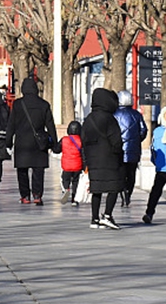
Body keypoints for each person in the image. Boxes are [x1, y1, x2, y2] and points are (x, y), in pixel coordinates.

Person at [6, 77, 59, 205]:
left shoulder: (18, 104)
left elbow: (11, 125)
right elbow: (50, 125)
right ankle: (37, 195)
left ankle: (25, 196)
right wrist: (54, 143)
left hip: (22, 142)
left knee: (22, 170)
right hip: (39, 142)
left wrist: (8, 142)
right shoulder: (44, 104)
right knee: (38, 170)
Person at [82, 88, 124, 230]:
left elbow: (83, 140)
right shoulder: (109, 119)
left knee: (97, 189)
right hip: (109, 159)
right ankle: (107, 215)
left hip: (93, 160)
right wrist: (118, 153)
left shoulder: (88, 119)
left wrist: (86, 160)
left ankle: (94, 219)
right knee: (114, 187)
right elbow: (116, 140)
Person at [114, 90, 147, 207]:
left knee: (121, 173)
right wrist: (136, 140)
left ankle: (123, 194)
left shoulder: (115, 114)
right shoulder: (137, 114)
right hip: (134, 149)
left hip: (119, 149)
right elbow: (143, 130)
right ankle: (129, 193)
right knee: (131, 173)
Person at [59, 121, 85, 205]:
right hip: (77, 165)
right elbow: (84, 154)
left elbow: (56, 149)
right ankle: (74, 199)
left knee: (65, 178)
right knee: (76, 181)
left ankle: (66, 189)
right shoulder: (81, 141)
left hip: (66, 166)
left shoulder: (64, 140)